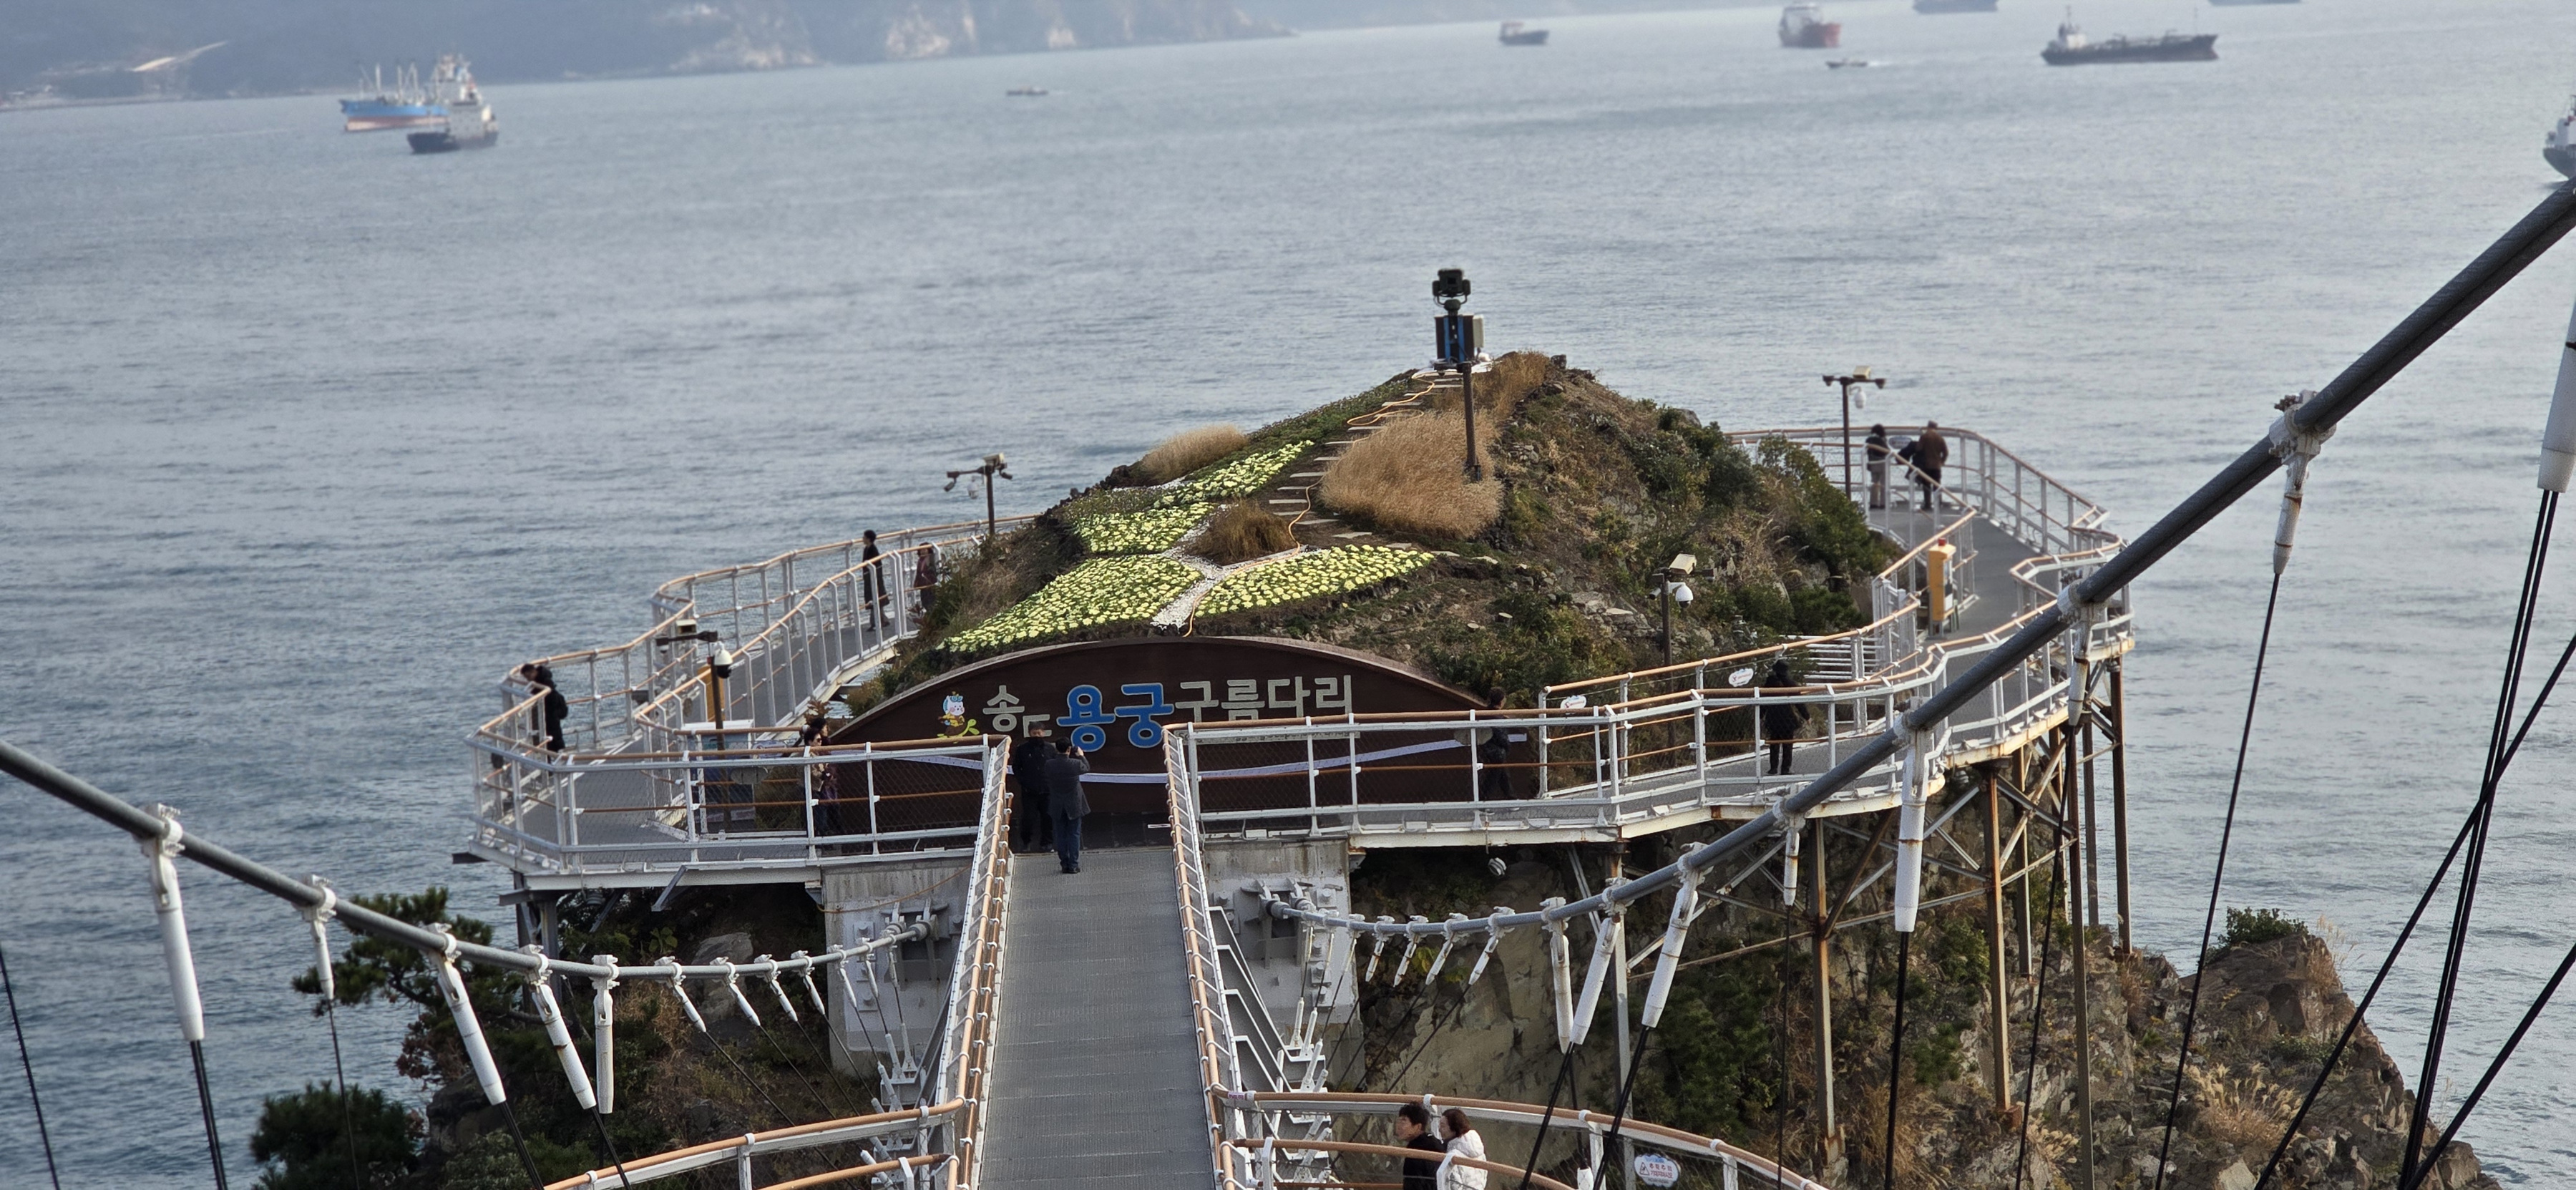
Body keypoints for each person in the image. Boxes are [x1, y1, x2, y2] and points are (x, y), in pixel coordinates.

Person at [1043, 739, 1091, 873]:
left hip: (1057, 803)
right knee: (1074, 834)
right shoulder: (1075, 764)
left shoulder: (1049, 764)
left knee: (1060, 835)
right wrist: (1081, 755)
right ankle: (1074, 864)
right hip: (1074, 804)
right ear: (1069, 749)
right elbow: (1086, 768)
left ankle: (1064, 863)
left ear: (1056, 749)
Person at [1010, 735, 1057, 854]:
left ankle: (1047, 844)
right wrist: (1023, 782)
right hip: (1029, 791)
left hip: (1047, 790)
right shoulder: (1022, 749)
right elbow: (1016, 767)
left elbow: (1056, 764)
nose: (1037, 736)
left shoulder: (1050, 748)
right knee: (1028, 818)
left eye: (1039, 733)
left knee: (1048, 817)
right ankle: (1026, 843)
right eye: (1034, 733)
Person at [1759, 658, 1802, 776]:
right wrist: (1806, 716)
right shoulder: (1790, 683)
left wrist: (1760, 715)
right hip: (1787, 719)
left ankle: (1773, 768)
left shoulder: (1770, 682)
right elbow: (1800, 702)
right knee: (1788, 744)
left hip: (1773, 718)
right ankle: (1786, 768)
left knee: (1774, 743)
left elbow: (1763, 700)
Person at [1395, 1102, 1445, 1190]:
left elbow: (1414, 1185)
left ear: (1418, 1127)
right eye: (1398, 1121)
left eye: (1403, 1122)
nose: (1398, 1126)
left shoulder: (1416, 1150)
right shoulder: (1432, 1142)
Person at [522, 663, 569, 751]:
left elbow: (550, 697)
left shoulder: (544, 682)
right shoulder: (544, 679)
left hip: (550, 711)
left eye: (528, 676)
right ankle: (554, 753)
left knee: (552, 736)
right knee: (553, 736)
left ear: (533, 672)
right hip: (550, 711)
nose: (528, 679)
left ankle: (553, 754)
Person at [1440, 1108, 1488, 1190]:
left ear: (1454, 1128)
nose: (1439, 1130)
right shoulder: (1479, 1149)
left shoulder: (1454, 1155)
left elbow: (1454, 1186)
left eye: (1443, 1126)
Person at [1914, 420, 1949, 511]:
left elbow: (1919, 448)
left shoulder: (1924, 436)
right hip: (1937, 465)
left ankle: (1928, 504)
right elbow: (1946, 452)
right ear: (1936, 428)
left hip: (1926, 465)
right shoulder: (1940, 438)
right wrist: (1942, 462)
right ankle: (1939, 503)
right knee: (1937, 485)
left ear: (1928, 426)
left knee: (1926, 485)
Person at [859, 530, 886, 628]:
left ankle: (876, 622)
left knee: (875, 597)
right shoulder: (867, 549)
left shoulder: (872, 550)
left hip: (874, 577)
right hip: (869, 577)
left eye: (864, 537)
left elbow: (876, 564)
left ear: (868, 539)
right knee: (875, 598)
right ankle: (881, 620)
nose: (862, 539)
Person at [1865, 423, 1890, 511]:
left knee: (1874, 483)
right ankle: (1883, 503)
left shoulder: (1869, 440)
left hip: (1872, 463)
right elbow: (1887, 451)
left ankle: (1873, 503)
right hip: (1882, 463)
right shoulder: (1881, 440)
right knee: (1883, 484)